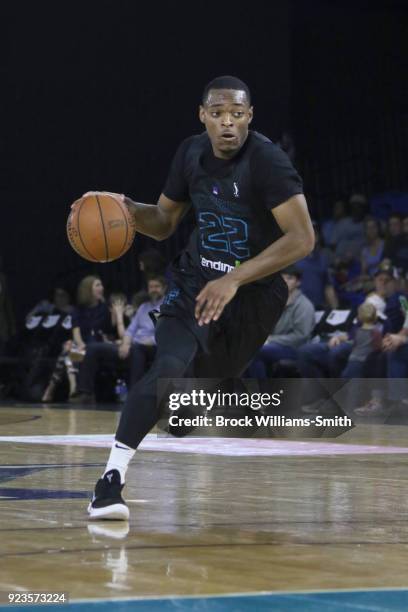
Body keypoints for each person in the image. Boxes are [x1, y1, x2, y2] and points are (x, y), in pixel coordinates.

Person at [83, 75, 314, 519]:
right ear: (203, 115)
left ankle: (188, 397)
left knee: (213, 377)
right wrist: (124, 210)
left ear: (249, 117)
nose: (228, 123)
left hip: (254, 295)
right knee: (166, 367)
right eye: (218, 113)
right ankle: (109, 482)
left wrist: (235, 280)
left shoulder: (268, 162)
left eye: (237, 114)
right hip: (195, 281)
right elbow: (165, 222)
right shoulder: (190, 153)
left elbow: (302, 239)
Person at [71, 276, 166, 403]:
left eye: (157, 287)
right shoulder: (144, 307)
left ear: (164, 288)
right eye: (151, 287)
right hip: (130, 345)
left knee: (138, 349)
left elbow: (163, 333)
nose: (153, 290)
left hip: (150, 347)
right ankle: (86, 392)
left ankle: (135, 395)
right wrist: (126, 343)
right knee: (92, 348)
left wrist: (133, 342)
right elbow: (131, 330)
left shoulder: (167, 306)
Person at [248, 266, 315, 378]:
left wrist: (270, 340)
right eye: (282, 278)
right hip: (274, 344)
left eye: (289, 278)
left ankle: (257, 392)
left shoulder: (304, 305)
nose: (285, 281)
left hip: (295, 347)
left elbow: (301, 336)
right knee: (245, 349)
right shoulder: (275, 300)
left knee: (256, 352)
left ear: (298, 282)